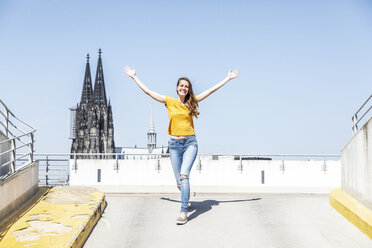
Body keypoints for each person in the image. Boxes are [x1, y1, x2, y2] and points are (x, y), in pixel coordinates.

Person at [124, 66, 239, 224]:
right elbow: (148, 92)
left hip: (190, 143)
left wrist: (228, 78)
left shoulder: (193, 102)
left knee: (184, 175)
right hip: (174, 145)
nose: (184, 88)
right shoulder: (169, 102)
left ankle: (183, 212)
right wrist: (134, 77)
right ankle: (186, 192)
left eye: (186, 86)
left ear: (188, 89)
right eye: (181, 85)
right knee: (179, 181)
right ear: (177, 88)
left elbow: (211, 91)